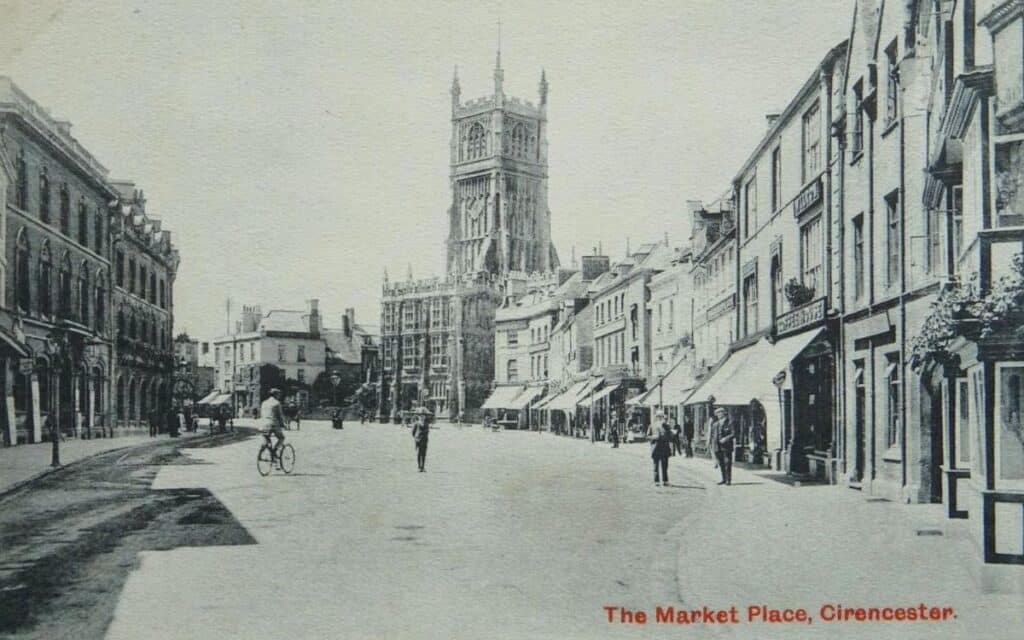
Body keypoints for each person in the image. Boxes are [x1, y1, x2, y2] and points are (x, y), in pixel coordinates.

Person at [708, 406, 735, 485]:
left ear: (724, 413)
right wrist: (712, 445)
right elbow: (713, 435)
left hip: (726, 446)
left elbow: (733, 434)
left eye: (720, 413)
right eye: (717, 413)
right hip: (717, 446)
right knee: (721, 463)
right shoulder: (715, 424)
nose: (719, 415)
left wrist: (726, 439)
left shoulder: (730, 422)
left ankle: (728, 480)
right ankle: (723, 479)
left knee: (727, 463)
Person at [260, 388, 287, 460]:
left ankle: (260, 455)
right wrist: (283, 424)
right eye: (278, 394)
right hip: (273, 424)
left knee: (266, 439)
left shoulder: (264, 402)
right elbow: (280, 415)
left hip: (264, 424)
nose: (279, 396)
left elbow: (262, 414)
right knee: (281, 438)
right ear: (276, 395)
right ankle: (274, 451)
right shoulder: (277, 403)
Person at [650, 412, 673, 486]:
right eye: (658, 417)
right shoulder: (652, 425)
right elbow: (647, 435)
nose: (660, 418)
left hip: (664, 448)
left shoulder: (666, 426)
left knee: (665, 466)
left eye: (661, 417)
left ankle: (665, 481)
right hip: (656, 448)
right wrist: (654, 437)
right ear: (656, 417)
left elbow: (670, 437)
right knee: (656, 466)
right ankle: (656, 481)